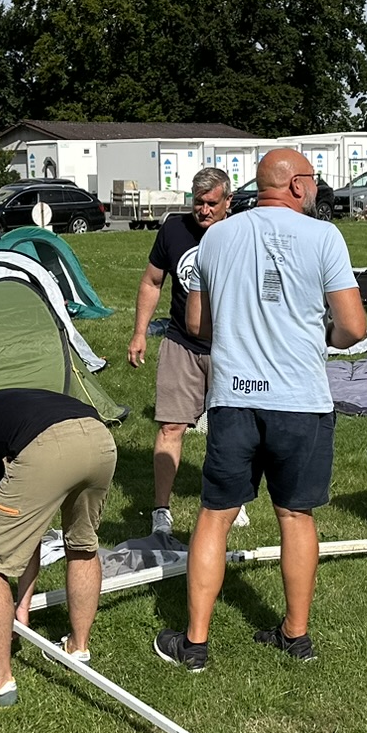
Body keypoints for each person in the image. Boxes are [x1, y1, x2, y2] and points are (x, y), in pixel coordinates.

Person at [154, 149, 365, 672]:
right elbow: (353, 328)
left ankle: (195, 644)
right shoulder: (325, 237)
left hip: (235, 398)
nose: (316, 187)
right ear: (295, 185)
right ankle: (296, 636)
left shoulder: (215, 238)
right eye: (312, 179)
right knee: (295, 515)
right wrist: (322, 337)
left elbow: (197, 324)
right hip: (301, 400)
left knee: (215, 516)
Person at [0, 387, 114, 710]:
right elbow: (29, 531)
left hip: (49, 442)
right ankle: (77, 648)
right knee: (82, 544)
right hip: (99, 437)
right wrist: (21, 609)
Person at [124, 167, 246, 537]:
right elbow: (152, 281)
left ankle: (232, 500)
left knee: (230, 429)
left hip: (232, 346)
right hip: (181, 342)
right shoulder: (173, 230)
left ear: (228, 202)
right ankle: (161, 510)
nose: (204, 210)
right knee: (171, 426)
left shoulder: (242, 234)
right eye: (198, 202)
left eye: (212, 203)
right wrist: (139, 333)